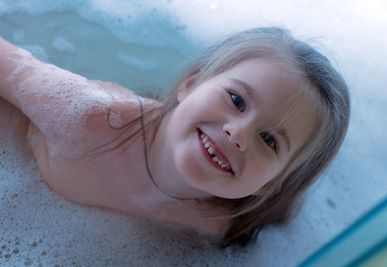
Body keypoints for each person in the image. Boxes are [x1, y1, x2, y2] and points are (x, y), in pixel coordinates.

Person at [0, 27, 350, 248]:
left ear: (270, 185)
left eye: (271, 141)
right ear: (190, 82)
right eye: (237, 100)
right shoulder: (87, 119)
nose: (238, 133)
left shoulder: (220, 226)